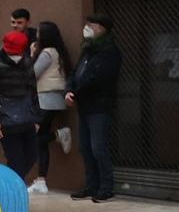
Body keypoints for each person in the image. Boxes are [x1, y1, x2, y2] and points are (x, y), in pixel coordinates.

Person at [65, 14, 122, 202]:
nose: (87, 28)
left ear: (102, 29)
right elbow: (75, 73)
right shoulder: (87, 50)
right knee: (86, 148)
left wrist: (77, 93)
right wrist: (70, 90)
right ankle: (92, 185)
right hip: (84, 106)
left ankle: (106, 187)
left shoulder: (109, 52)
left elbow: (98, 78)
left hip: (99, 106)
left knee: (98, 147)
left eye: (92, 25)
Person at [0, 31, 42, 185]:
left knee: (32, 155)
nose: (15, 56)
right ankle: (13, 190)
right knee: (16, 159)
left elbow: (32, 90)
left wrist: (36, 118)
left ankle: (8, 184)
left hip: (26, 117)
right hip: (5, 120)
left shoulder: (27, 61)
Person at [31, 22, 70, 194]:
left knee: (37, 138)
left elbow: (32, 73)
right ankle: (41, 180)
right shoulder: (58, 52)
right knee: (40, 140)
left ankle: (60, 134)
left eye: (39, 32)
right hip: (52, 99)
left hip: (46, 100)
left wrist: (32, 55)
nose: (36, 35)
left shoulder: (47, 53)